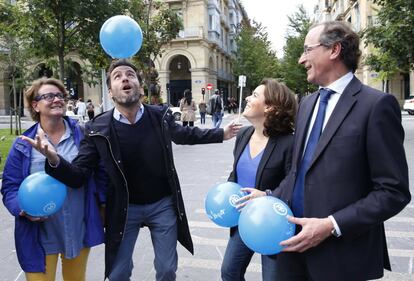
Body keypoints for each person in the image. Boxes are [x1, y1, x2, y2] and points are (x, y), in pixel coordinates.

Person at [22, 59, 241, 281]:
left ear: (139, 85)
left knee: (166, 269)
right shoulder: (97, 128)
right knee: (118, 273)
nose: (125, 78)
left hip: (162, 204)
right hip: (124, 208)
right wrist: (53, 159)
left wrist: (220, 134)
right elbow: (79, 174)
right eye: (117, 76)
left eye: (130, 74)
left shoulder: (160, 116)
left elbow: (185, 134)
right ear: (111, 91)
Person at [240, 21, 411, 281]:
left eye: (307, 50)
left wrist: (331, 225)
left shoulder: (376, 105)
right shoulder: (306, 104)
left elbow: (393, 191)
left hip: (341, 257)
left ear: (334, 50)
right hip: (292, 247)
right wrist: (268, 195)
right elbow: (299, 172)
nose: (301, 59)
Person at [1, 77, 105, 281]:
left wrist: (103, 207)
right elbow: (10, 187)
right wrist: (21, 209)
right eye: (48, 96)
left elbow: (99, 175)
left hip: (77, 228)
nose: (57, 99)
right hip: (38, 233)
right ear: (35, 105)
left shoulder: (83, 136)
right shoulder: (23, 145)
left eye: (60, 95)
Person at [221, 78, 297, 281]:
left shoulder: (289, 142)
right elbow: (237, 173)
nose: (247, 97)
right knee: (229, 272)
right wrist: (226, 191)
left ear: (270, 108)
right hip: (243, 220)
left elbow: (293, 181)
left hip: (273, 225)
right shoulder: (243, 134)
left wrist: (267, 195)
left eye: (254, 95)